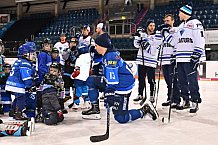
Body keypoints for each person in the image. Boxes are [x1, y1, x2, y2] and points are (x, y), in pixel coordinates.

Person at [82, 34, 158, 123]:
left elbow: (112, 80)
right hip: (117, 82)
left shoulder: (110, 57)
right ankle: (95, 108)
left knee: (121, 118)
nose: (95, 47)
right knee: (91, 80)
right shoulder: (108, 53)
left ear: (102, 46)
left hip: (122, 86)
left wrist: (109, 93)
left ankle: (144, 110)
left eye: (96, 45)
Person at [162, 3, 205, 113]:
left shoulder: (196, 24)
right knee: (182, 82)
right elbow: (174, 42)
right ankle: (186, 100)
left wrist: (197, 54)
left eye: (180, 12)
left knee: (192, 81)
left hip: (190, 58)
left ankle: (195, 101)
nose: (178, 14)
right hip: (180, 58)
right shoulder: (180, 26)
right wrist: (166, 34)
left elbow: (200, 39)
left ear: (185, 13)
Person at [5, 43, 37, 120]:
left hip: (10, 84)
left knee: (17, 98)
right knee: (21, 98)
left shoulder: (18, 61)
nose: (34, 55)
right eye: (32, 53)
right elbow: (25, 76)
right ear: (25, 54)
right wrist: (29, 85)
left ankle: (12, 111)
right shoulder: (25, 63)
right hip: (17, 85)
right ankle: (18, 113)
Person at [133, 19, 161, 103]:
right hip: (141, 60)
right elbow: (136, 45)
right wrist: (138, 37)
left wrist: (144, 42)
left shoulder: (157, 36)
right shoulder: (143, 35)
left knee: (151, 80)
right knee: (141, 79)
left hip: (151, 61)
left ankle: (152, 95)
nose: (152, 27)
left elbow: (154, 48)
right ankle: (140, 94)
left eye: (153, 26)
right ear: (147, 26)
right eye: (150, 25)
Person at [158, 14, 181, 108]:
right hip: (164, 60)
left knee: (174, 81)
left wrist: (166, 34)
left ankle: (177, 100)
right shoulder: (162, 31)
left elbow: (175, 43)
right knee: (168, 82)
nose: (166, 23)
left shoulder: (176, 30)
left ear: (173, 21)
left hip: (172, 59)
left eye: (168, 21)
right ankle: (170, 98)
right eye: (165, 21)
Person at [70, 41, 91, 110]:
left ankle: (76, 104)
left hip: (79, 78)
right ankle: (86, 102)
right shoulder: (90, 59)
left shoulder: (79, 59)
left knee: (78, 91)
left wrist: (72, 76)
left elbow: (77, 71)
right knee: (85, 90)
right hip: (86, 77)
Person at [62, 36, 79, 103]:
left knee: (75, 85)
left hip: (75, 71)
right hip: (67, 70)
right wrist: (70, 50)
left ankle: (76, 99)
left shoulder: (78, 51)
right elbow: (65, 58)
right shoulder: (66, 50)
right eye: (71, 42)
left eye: (74, 42)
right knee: (66, 83)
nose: (72, 44)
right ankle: (67, 96)